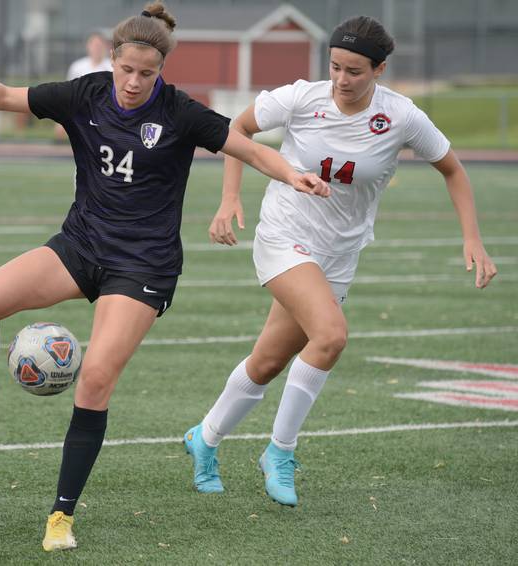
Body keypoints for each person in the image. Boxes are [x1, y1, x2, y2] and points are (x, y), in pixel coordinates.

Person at [0, 2, 328, 552]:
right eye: (125, 70)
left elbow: (246, 148)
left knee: (96, 378)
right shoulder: (85, 94)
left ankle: (61, 515)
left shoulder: (180, 112)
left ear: (161, 70)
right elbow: (8, 97)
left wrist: (293, 174)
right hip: (81, 245)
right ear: (111, 61)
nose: (133, 82)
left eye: (146, 73)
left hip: (143, 266)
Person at [182, 15, 498, 506]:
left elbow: (453, 170)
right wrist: (229, 198)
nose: (342, 80)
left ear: (380, 70)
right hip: (285, 235)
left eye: (355, 71)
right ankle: (279, 452)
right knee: (330, 336)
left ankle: (204, 438)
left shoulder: (402, 116)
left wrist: (472, 238)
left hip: (338, 254)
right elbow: (235, 130)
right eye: (335, 67)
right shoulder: (301, 98)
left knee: (268, 361)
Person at [55, 32, 113, 140]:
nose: (97, 49)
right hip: (80, 109)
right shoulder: (77, 67)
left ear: (105, 47)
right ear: (88, 46)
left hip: (104, 111)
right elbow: (69, 93)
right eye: (94, 45)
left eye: (99, 45)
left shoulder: (112, 67)